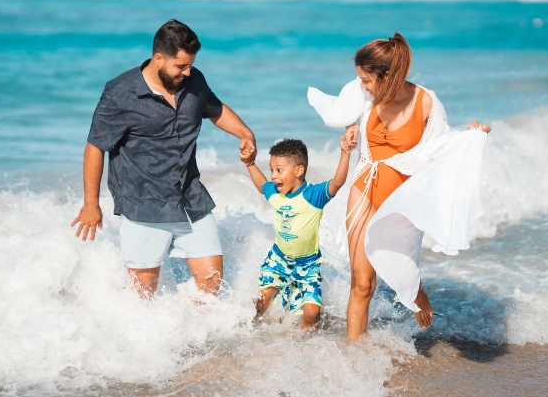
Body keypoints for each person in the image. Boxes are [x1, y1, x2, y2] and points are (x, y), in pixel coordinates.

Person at [308, 32, 491, 339]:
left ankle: (416, 291)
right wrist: (351, 133)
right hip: (365, 190)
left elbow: (441, 146)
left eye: (367, 80)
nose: (362, 86)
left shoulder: (426, 102)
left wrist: (472, 134)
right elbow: (346, 114)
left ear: (388, 76)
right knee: (362, 283)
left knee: (403, 268)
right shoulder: (363, 94)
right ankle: (356, 356)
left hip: (403, 200)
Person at [71, 19, 257, 297]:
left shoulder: (194, 80)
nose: (187, 71)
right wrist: (90, 203)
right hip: (142, 203)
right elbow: (95, 147)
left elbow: (214, 108)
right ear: (159, 59)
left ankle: (197, 339)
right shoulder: (120, 93)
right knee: (143, 293)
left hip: (189, 198)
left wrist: (245, 133)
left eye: (191, 64)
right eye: (180, 66)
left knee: (211, 280)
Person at [244, 138, 354, 330]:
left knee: (312, 315)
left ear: (298, 171)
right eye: (272, 170)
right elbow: (261, 185)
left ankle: (302, 346)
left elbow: (338, 182)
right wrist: (249, 163)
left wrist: (345, 153)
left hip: (308, 265)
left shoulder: (314, 195)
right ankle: (253, 330)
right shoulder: (275, 193)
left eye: (279, 170)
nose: (273, 176)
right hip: (278, 259)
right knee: (262, 300)